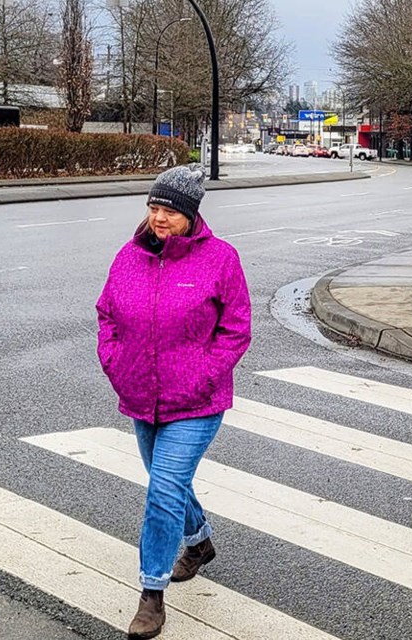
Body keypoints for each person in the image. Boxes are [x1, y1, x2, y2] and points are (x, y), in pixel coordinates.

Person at [96, 164, 252, 640]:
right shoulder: (129, 255)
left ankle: (151, 595)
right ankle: (199, 542)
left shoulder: (221, 259)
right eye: (154, 206)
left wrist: (201, 375)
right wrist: (116, 363)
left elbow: (236, 329)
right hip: (140, 394)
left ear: (191, 215)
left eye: (170, 210)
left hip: (198, 401)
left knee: (163, 489)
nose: (160, 217)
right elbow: (107, 315)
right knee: (165, 481)